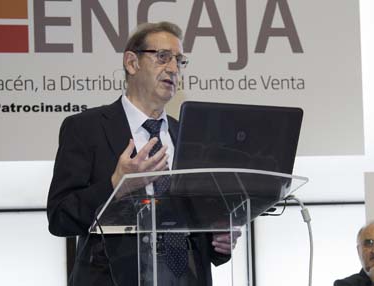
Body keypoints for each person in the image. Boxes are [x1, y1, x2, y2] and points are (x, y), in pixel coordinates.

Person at [47, 21, 234, 286]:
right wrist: (117, 185)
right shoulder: (85, 128)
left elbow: (198, 223)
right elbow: (59, 217)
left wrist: (218, 239)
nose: (173, 68)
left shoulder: (188, 136)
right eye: (162, 57)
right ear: (132, 63)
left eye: (179, 61)